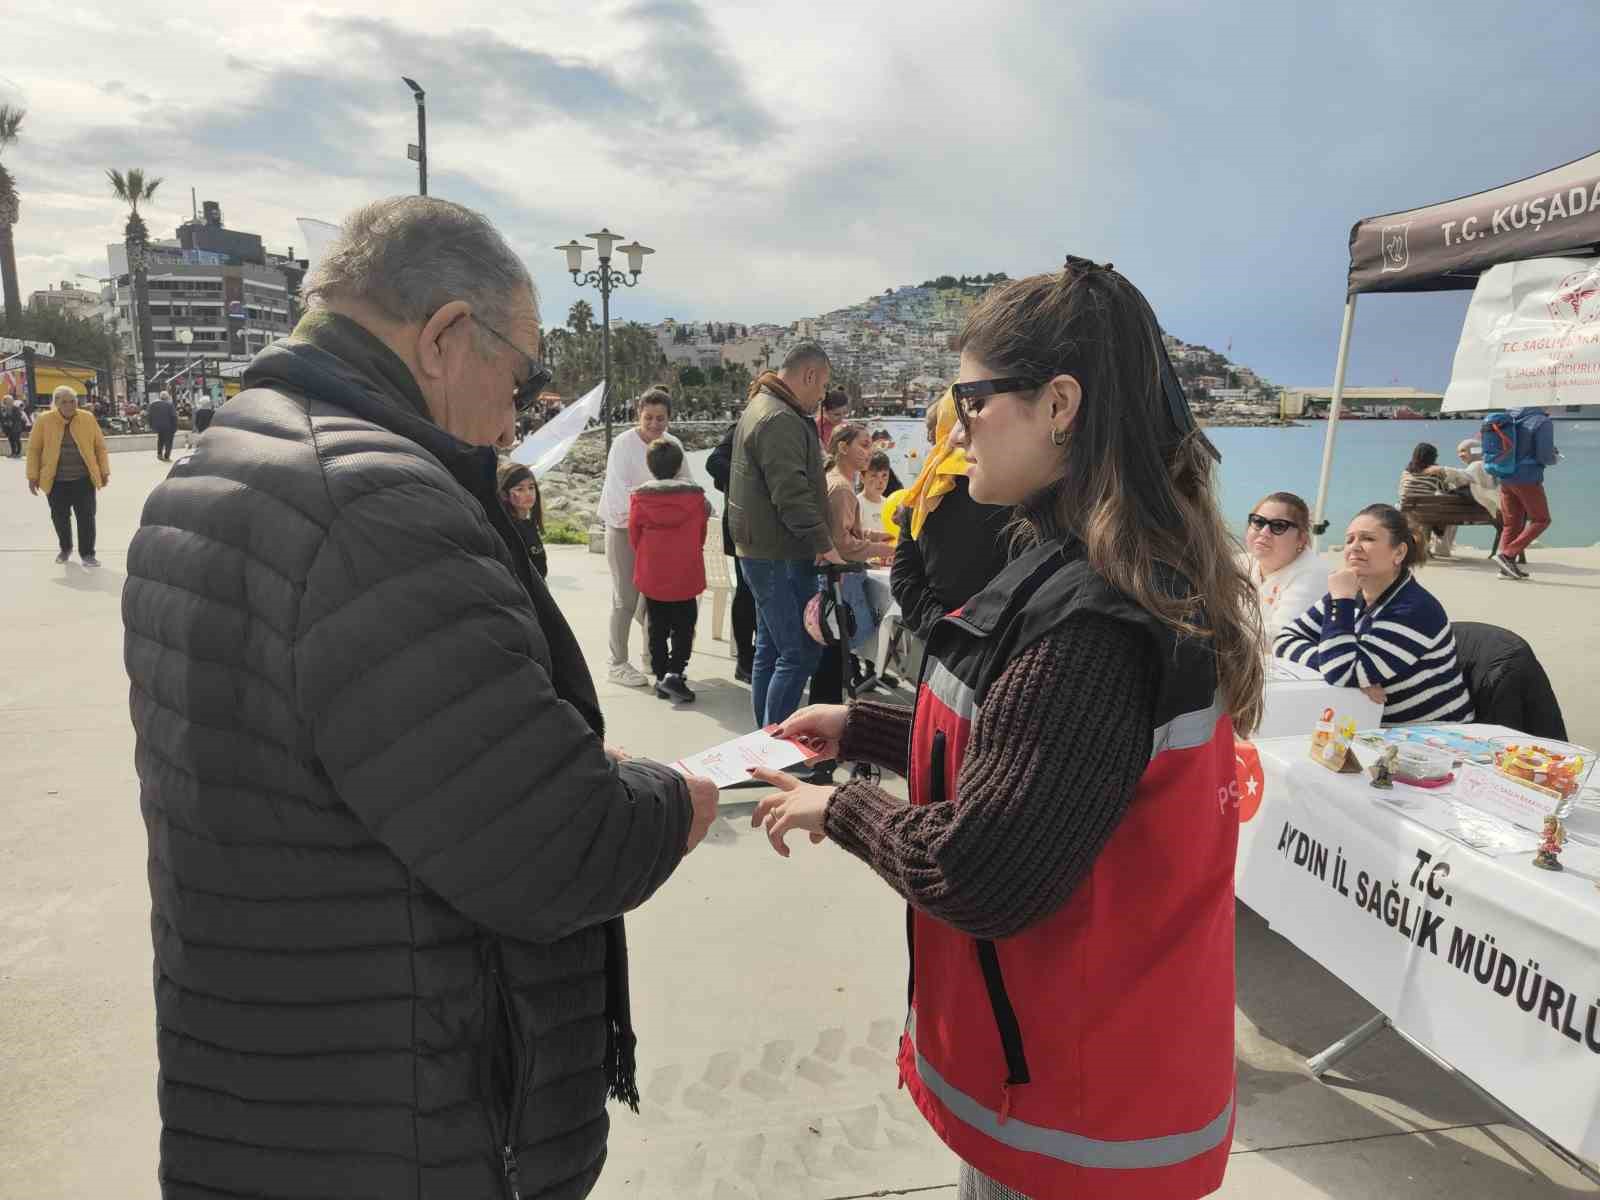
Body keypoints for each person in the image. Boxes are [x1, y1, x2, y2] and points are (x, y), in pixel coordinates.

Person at [120, 196, 719, 1199]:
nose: (519, 413)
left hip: (276, 1084)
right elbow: (555, 847)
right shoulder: (377, 504)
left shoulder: (224, 458)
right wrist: (671, 800)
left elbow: (389, 756)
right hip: (405, 1118)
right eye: (521, 373)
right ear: (445, 337)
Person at [750, 260, 1262, 1200]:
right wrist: (863, 726)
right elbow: (1041, 764)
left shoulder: (1094, 618)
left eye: (971, 397)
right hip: (1075, 1075)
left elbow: (982, 865)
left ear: (1060, 403)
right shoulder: (1099, 568)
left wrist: (843, 810)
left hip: (1078, 1107)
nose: (952, 425)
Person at [729, 341, 844, 726]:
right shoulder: (779, 418)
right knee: (798, 654)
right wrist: (825, 545)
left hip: (763, 549)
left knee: (770, 648)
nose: (823, 395)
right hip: (777, 553)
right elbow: (791, 494)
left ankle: (759, 744)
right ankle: (773, 749)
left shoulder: (764, 406)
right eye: (823, 385)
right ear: (809, 375)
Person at [1276, 503, 1474, 725]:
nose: (1354, 547)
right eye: (1349, 539)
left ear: (1398, 552)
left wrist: (1342, 603)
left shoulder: (1414, 608)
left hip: (1435, 734)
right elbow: (1284, 641)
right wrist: (1342, 667)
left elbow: (1341, 672)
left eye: (1367, 539)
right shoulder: (1351, 591)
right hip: (1371, 724)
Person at [890, 390, 1013, 642]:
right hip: (1000, 645)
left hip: (947, 645)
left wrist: (942, 627)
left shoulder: (922, 494)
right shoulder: (1019, 489)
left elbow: (904, 579)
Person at [597, 387, 694, 686]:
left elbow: (686, 484)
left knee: (655, 597)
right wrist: (659, 505)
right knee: (625, 598)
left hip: (659, 535)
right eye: (649, 418)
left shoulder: (673, 443)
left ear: (669, 418)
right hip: (623, 528)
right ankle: (617, 663)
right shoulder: (623, 445)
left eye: (661, 419)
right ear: (638, 415)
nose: (654, 425)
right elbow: (620, 494)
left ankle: (652, 658)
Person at [809, 424, 893, 714]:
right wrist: (887, 550)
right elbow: (842, 545)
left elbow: (843, 532)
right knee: (835, 655)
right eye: (864, 445)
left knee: (829, 658)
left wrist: (873, 536)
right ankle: (825, 724)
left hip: (829, 578)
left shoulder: (832, 480)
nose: (870, 452)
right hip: (838, 580)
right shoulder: (843, 489)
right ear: (843, 448)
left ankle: (820, 719)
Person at [629, 437, 709, 704]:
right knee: (685, 626)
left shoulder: (640, 498)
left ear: (650, 467)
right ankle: (676, 671)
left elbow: (634, 536)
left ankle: (662, 675)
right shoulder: (696, 498)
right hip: (686, 571)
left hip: (653, 572)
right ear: (678, 467)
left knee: (657, 627)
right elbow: (701, 534)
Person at [27, 385, 110, 567]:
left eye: (72, 401)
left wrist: (104, 471)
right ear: (56, 403)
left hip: (83, 479)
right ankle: (65, 549)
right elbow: (34, 449)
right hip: (56, 481)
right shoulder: (44, 420)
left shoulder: (87, 418)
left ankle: (88, 554)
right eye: (64, 402)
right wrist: (32, 476)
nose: (69, 405)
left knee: (87, 517)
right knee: (59, 517)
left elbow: (100, 447)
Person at [705, 422, 757, 682]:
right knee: (747, 593)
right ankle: (745, 660)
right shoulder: (742, 427)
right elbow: (714, 462)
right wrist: (750, 481)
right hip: (745, 526)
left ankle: (758, 657)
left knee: (761, 596)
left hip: (768, 529)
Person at [1243, 491, 1327, 638]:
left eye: (1279, 526)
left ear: (1301, 538)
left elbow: (1280, 636)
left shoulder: (1314, 574)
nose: (1264, 532)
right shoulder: (1241, 563)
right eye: (1258, 522)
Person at [1489, 406, 1559, 581]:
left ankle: (1505, 569)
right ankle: (1508, 555)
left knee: (1511, 524)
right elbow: (1544, 456)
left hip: (1505, 475)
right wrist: (1554, 456)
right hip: (1527, 478)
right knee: (1541, 519)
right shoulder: (1542, 421)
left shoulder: (1508, 418)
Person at [496, 458, 548, 578]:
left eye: (531, 487)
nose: (528, 493)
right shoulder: (507, 529)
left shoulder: (529, 524)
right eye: (520, 489)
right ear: (504, 494)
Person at [858, 449, 893, 533]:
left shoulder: (889, 504)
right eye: (874, 475)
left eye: (884, 475)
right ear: (862, 478)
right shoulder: (856, 504)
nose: (880, 481)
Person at [147, 389, 178, 461]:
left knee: (160, 440)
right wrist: (175, 426)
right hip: (169, 426)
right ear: (167, 397)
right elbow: (173, 416)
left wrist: (151, 425)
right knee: (169, 442)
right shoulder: (169, 404)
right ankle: (167, 456)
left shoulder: (153, 404)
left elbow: (149, 416)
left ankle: (159, 454)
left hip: (158, 427)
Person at [0, 392, 23, 457]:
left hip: (16, 427)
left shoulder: (15, 408)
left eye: (8, 400)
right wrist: (4, 421)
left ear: (11, 400)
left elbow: (18, 416)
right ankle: (13, 453)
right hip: (8, 428)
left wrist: (11, 419)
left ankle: (18, 453)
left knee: (16, 439)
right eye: (5, 400)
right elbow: (1, 417)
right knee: (11, 440)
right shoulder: (3, 408)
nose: (6, 401)